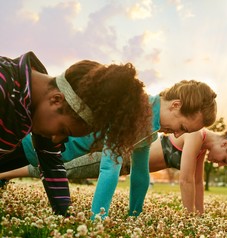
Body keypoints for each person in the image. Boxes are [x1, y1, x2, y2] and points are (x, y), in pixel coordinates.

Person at [1, 80, 218, 217]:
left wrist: (134, 215)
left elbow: (140, 173)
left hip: (51, 153)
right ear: (176, 105)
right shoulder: (137, 110)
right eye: (182, 127)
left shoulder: (150, 126)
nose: (178, 135)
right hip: (37, 143)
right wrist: (98, 218)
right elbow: (109, 167)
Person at [0, 51, 151, 215]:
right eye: (63, 130)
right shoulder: (5, 86)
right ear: (56, 100)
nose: (56, 139)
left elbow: (51, 164)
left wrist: (66, 216)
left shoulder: (31, 98)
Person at [1, 126, 227, 214]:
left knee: (62, 169)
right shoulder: (197, 135)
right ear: (224, 144)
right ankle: (3, 174)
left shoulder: (203, 148)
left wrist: (200, 215)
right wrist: (191, 220)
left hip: (127, 165)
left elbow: (197, 185)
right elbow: (186, 181)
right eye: (225, 161)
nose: (219, 164)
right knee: (62, 168)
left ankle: (4, 174)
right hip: (119, 154)